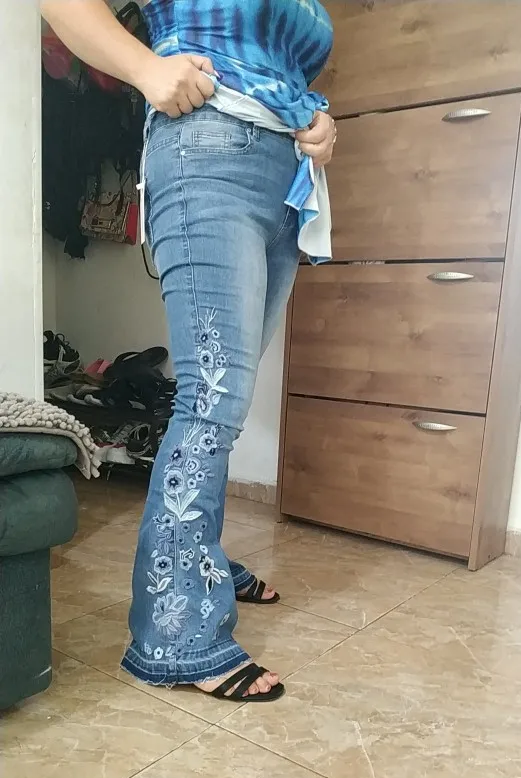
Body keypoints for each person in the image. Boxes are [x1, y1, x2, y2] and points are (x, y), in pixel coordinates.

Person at [41, 0, 336, 702]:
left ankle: (199, 559)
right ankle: (176, 636)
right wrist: (145, 68)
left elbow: (281, 63)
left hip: (286, 177)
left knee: (224, 405)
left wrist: (319, 123)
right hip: (206, 150)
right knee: (212, 400)